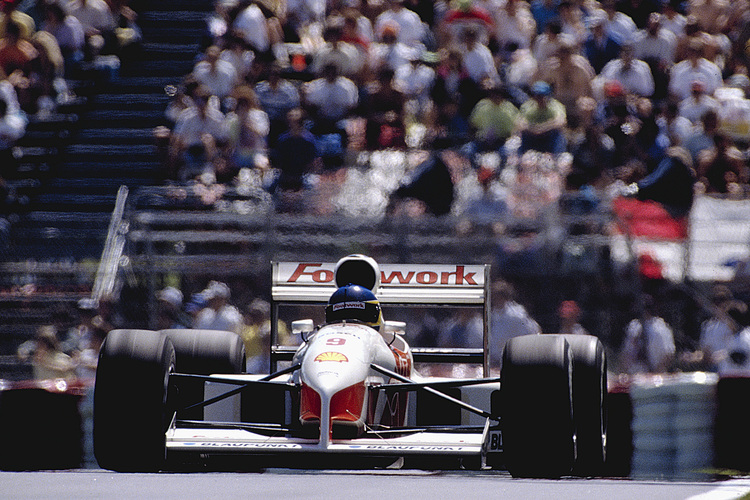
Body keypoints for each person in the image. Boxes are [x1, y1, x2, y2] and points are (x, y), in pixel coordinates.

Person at [489, 279, 541, 368]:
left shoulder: (516, 315)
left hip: (513, 363)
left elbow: (533, 333)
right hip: (494, 363)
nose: (494, 299)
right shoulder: (492, 315)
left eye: (496, 296)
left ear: (504, 297)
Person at [619, 294, 676, 374]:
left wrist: (655, 373)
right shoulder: (634, 326)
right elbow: (626, 353)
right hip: (635, 376)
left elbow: (668, 355)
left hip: (656, 377)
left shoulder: (661, 328)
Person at [517, 80, 567, 154]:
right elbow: (520, 124)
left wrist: (541, 129)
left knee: (558, 135)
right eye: (536, 95)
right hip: (531, 137)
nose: (539, 99)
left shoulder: (556, 106)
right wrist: (535, 130)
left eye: (541, 96)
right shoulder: (527, 106)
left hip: (550, 138)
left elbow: (561, 122)